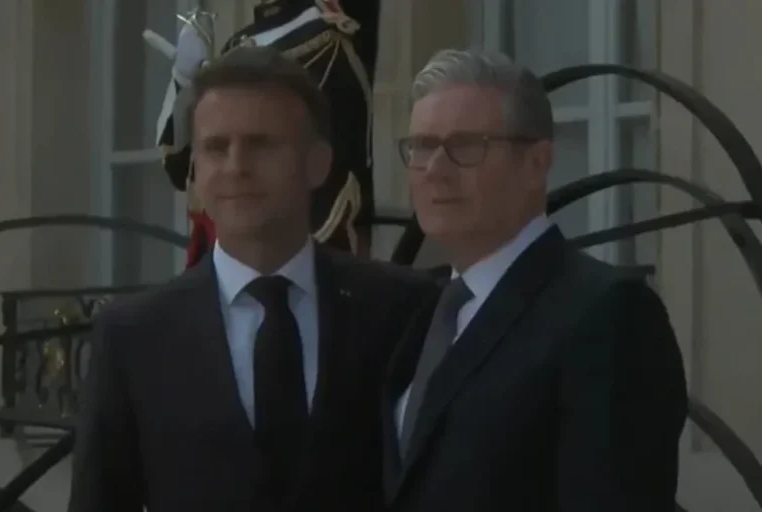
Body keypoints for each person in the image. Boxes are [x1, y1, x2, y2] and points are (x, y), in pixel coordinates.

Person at [68, 46, 436, 512]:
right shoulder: (132, 335)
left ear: (318, 163)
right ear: (196, 169)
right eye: (216, 148)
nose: (236, 167)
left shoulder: (401, 309)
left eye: (261, 145)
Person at [382, 48, 688, 512]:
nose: (435, 170)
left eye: (466, 146)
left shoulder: (607, 314)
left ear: (536, 163)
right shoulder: (419, 311)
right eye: (422, 146)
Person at [148, 0, 381, 268]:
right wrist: (184, 78)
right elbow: (181, 168)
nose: (234, 166)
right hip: (220, 258)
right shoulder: (238, 44)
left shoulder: (325, 43)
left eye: (259, 145)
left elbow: (335, 178)